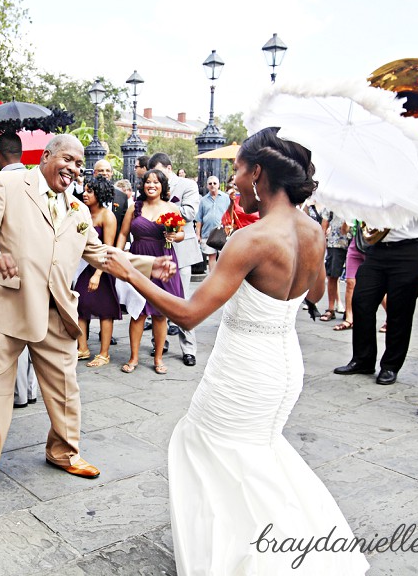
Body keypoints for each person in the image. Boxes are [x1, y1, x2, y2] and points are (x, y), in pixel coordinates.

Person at [102, 127, 369, 575]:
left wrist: (128, 272)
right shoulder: (312, 232)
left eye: (238, 172)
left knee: (207, 448)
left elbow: (188, 315)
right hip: (284, 366)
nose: (233, 183)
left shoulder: (253, 239)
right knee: (255, 457)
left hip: (244, 369)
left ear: (258, 173)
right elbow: (318, 296)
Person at [0, 134, 174, 499]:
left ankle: (64, 452)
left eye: (78, 164)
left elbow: (102, 254)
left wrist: (149, 264)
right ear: (47, 156)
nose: (73, 168)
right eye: (67, 159)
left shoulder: (79, 211)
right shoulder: (9, 183)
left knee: (66, 390)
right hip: (5, 306)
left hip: (57, 312)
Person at [334, 215, 418, 385]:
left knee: (400, 310)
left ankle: (391, 365)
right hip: (377, 247)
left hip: (409, 248)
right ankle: (363, 360)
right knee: (362, 301)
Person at [116, 168, 185, 374]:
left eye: (156, 182)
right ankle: (134, 357)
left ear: (162, 185)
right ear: (142, 185)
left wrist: (174, 237)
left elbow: (181, 233)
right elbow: (123, 233)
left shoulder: (172, 207)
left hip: (163, 260)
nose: (151, 185)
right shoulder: (134, 207)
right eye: (148, 182)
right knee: (137, 312)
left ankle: (158, 358)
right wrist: (118, 256)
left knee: (160, 314)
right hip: (139, 260)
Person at [148, 153, 201, 366]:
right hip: (158, 252)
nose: (157, 178)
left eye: (161, 173)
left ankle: (188, 348)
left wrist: (162, 206)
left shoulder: (188, 185)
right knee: (156, 299)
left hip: (182, 250)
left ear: (169, 168)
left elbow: (189, 213)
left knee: (183, 301)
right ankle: (159, 343)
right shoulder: (152, 187)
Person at [75, 175, 120, 368]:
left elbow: (108, 249)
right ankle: (82, 348)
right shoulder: (82, 213)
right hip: (82, 267)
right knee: (79, 307)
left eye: (89, 191)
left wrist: (97, 274)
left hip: (101, 268)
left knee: (105, 311)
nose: (84, 194)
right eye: (84, 190)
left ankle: (104, 353)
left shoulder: (107, 216)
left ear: (99, 194)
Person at [318, 208, 351, 321]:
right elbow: (324, 224)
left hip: (355, 243)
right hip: (335, 242)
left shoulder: (356, 201)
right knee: (332, 276)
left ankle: (349, 311)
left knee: (352, 280)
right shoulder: (331, 202)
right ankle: (331, 309)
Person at [194, 175, 230, 272]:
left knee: (224, 257)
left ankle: (223, 279)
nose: (212, 185)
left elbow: (231, 214)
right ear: (207, 186)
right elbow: (199, 219)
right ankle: (212, 279)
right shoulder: (203, 200)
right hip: (207, 233)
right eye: (210, 183)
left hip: (223, 232)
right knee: (211, 257)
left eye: (214, 183)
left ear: (218, 185)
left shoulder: (226, 198)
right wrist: (198, 235)